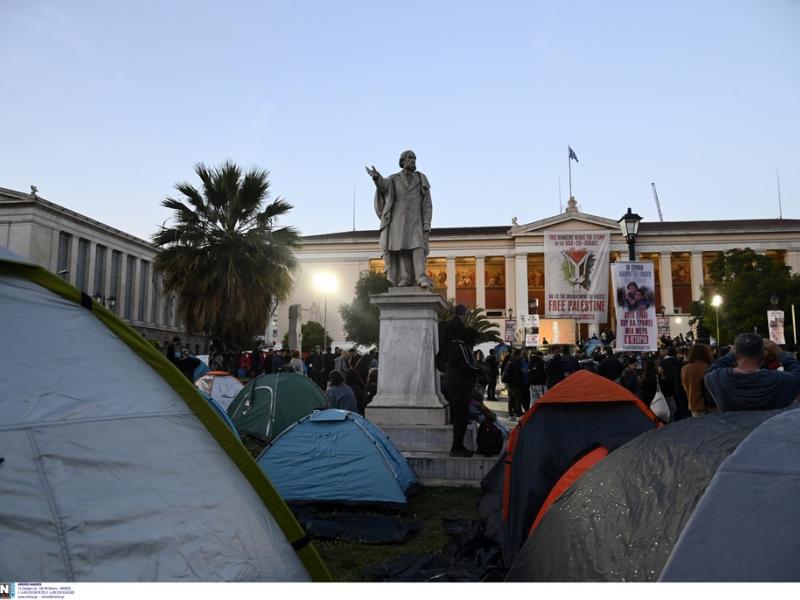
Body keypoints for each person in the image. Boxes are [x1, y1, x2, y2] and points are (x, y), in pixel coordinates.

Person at [366, 150, 433, 288]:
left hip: (416, 220)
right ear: (402, 161)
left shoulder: (421, 179)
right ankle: (405, 278)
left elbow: (427, 204)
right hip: (398, 220)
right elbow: (384, 186)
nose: (413, 160)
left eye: (414, 158)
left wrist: (427, 222)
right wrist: (376, 177)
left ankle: (421, 276)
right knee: (402, 249)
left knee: (418, 247)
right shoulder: (393, 179)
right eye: (410, 158)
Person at [704, 334, 800, 411]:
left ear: (736, 355)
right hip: (770, 433)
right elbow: (797, 371)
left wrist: (729, 355)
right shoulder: (780, 380)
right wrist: (779, 352)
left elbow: (710, 371)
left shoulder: (717, 378)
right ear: (763, 355)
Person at [446, 327, 481, 457]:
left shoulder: (460, 347)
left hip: (460, 386)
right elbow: (467, 365)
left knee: (462, 417)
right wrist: (479, 370)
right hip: (459, 388)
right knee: (460, 417)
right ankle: (457, 446)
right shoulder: (461, 347)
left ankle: (458, 445)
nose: (475, 343)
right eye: (474, 340)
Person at [681, 343, 714, 417]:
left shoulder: (685, 369)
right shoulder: (710, 367)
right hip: (710, 406)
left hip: (694, 405)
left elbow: (685, 388)